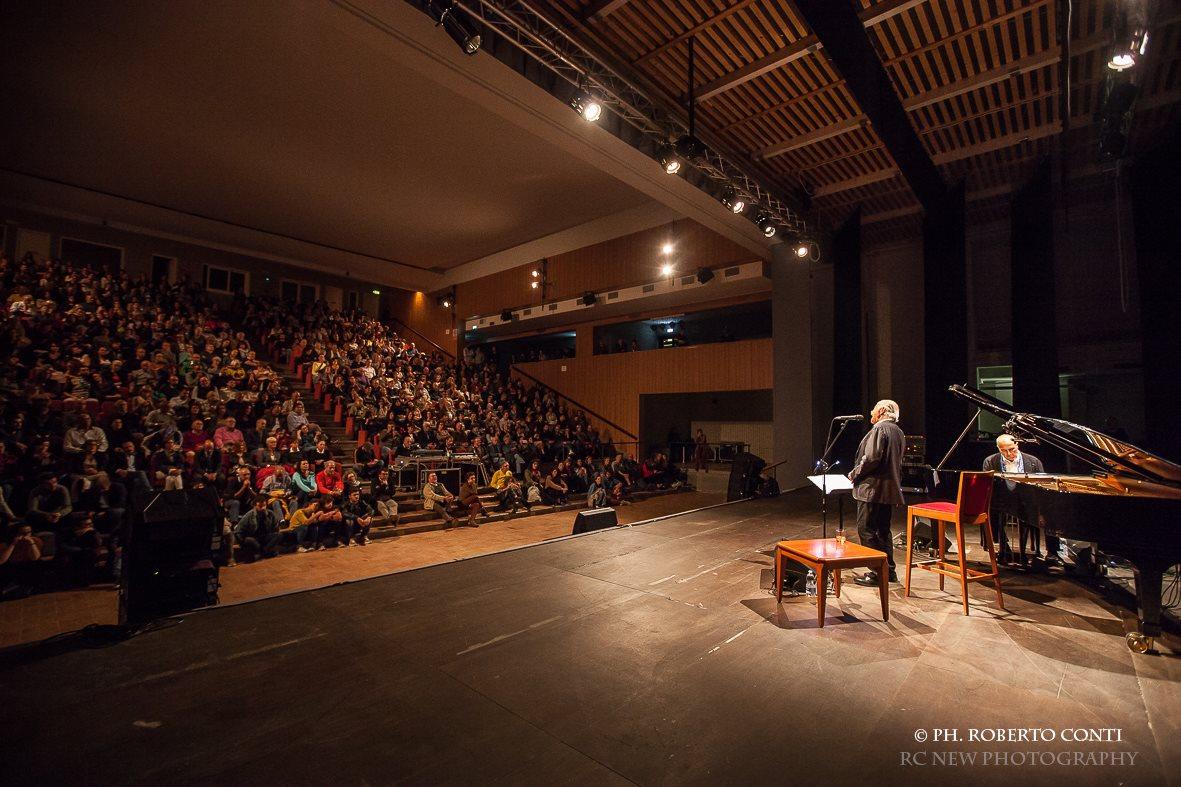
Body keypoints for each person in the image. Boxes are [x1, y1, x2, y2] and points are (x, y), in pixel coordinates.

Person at [848, 399, 905, 586]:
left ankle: (877, 572)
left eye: (873, 409)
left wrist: (855, 473)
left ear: (881, 411)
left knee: (867, 530)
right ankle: (889, 571)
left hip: (872, 489)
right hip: (887, 490)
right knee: (883, 531)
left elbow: (872, 458)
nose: (871, 412)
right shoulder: (898, 432)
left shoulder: (880, 429)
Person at [983, 434, 1059, 567]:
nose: (1009, 453)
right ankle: (1002, 546)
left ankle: (1052, 551)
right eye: (1004, 451)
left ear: (1017, 445)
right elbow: (988, 485)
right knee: (988, 512)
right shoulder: (990, 461)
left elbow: (1042, 486)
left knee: (1051, 509)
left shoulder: (1033, 461)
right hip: (1002, 500)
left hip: (1028, 500)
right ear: (998, 448)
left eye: (1012, 449)